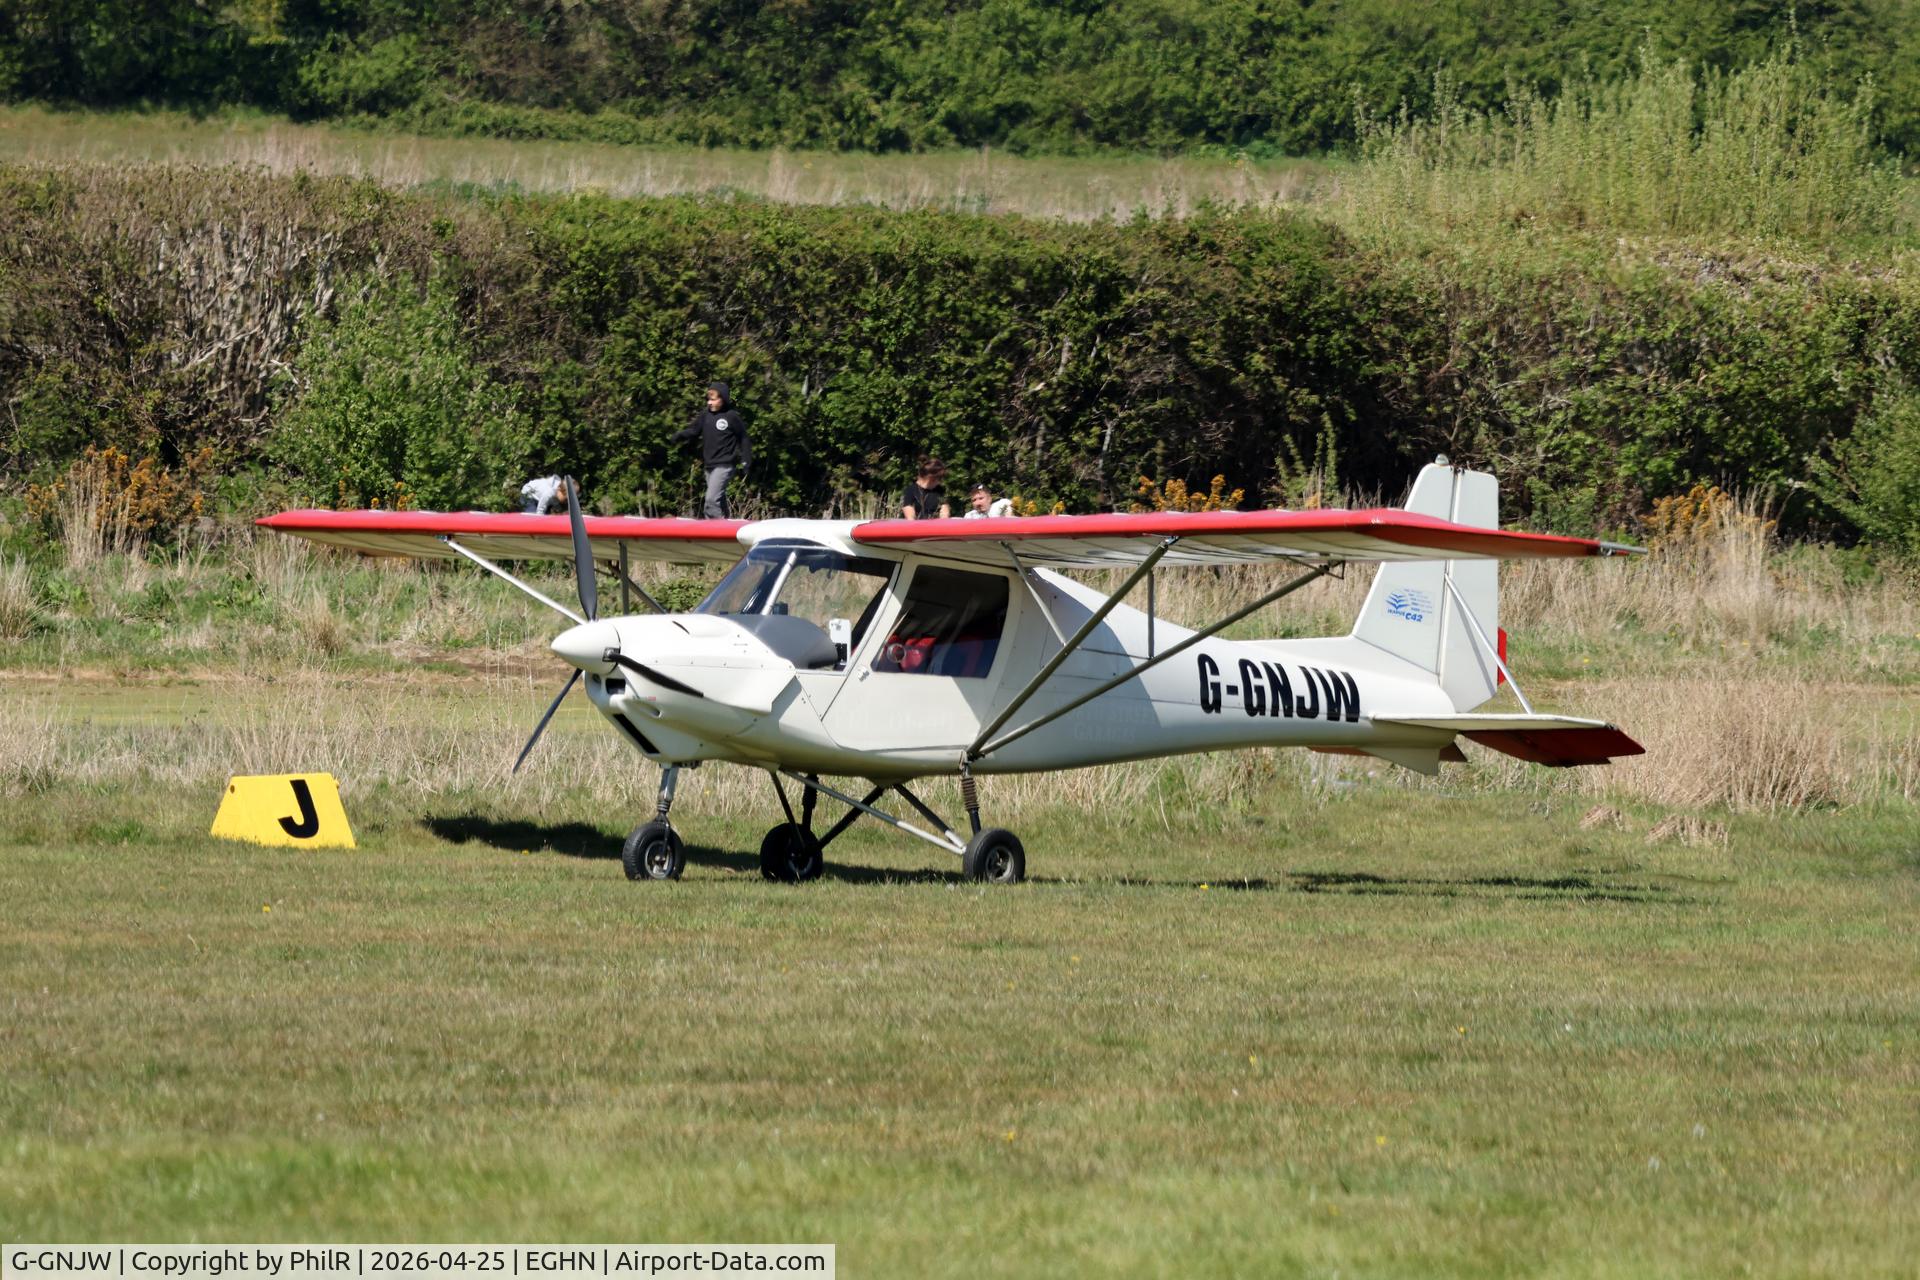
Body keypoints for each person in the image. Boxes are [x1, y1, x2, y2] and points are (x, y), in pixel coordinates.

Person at [674, 381, 751, 518]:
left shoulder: (731, 416)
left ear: (723, 399)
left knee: (710, 500)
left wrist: (746, 460)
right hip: (709, 465)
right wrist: (679, 435)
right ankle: (726, 524)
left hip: (725, 465)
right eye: (708, 399)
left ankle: (716, 528)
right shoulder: (705, 415)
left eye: (713, 400)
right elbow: (694, 431)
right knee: (719, 500)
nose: (709, 403)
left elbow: (743, 437)